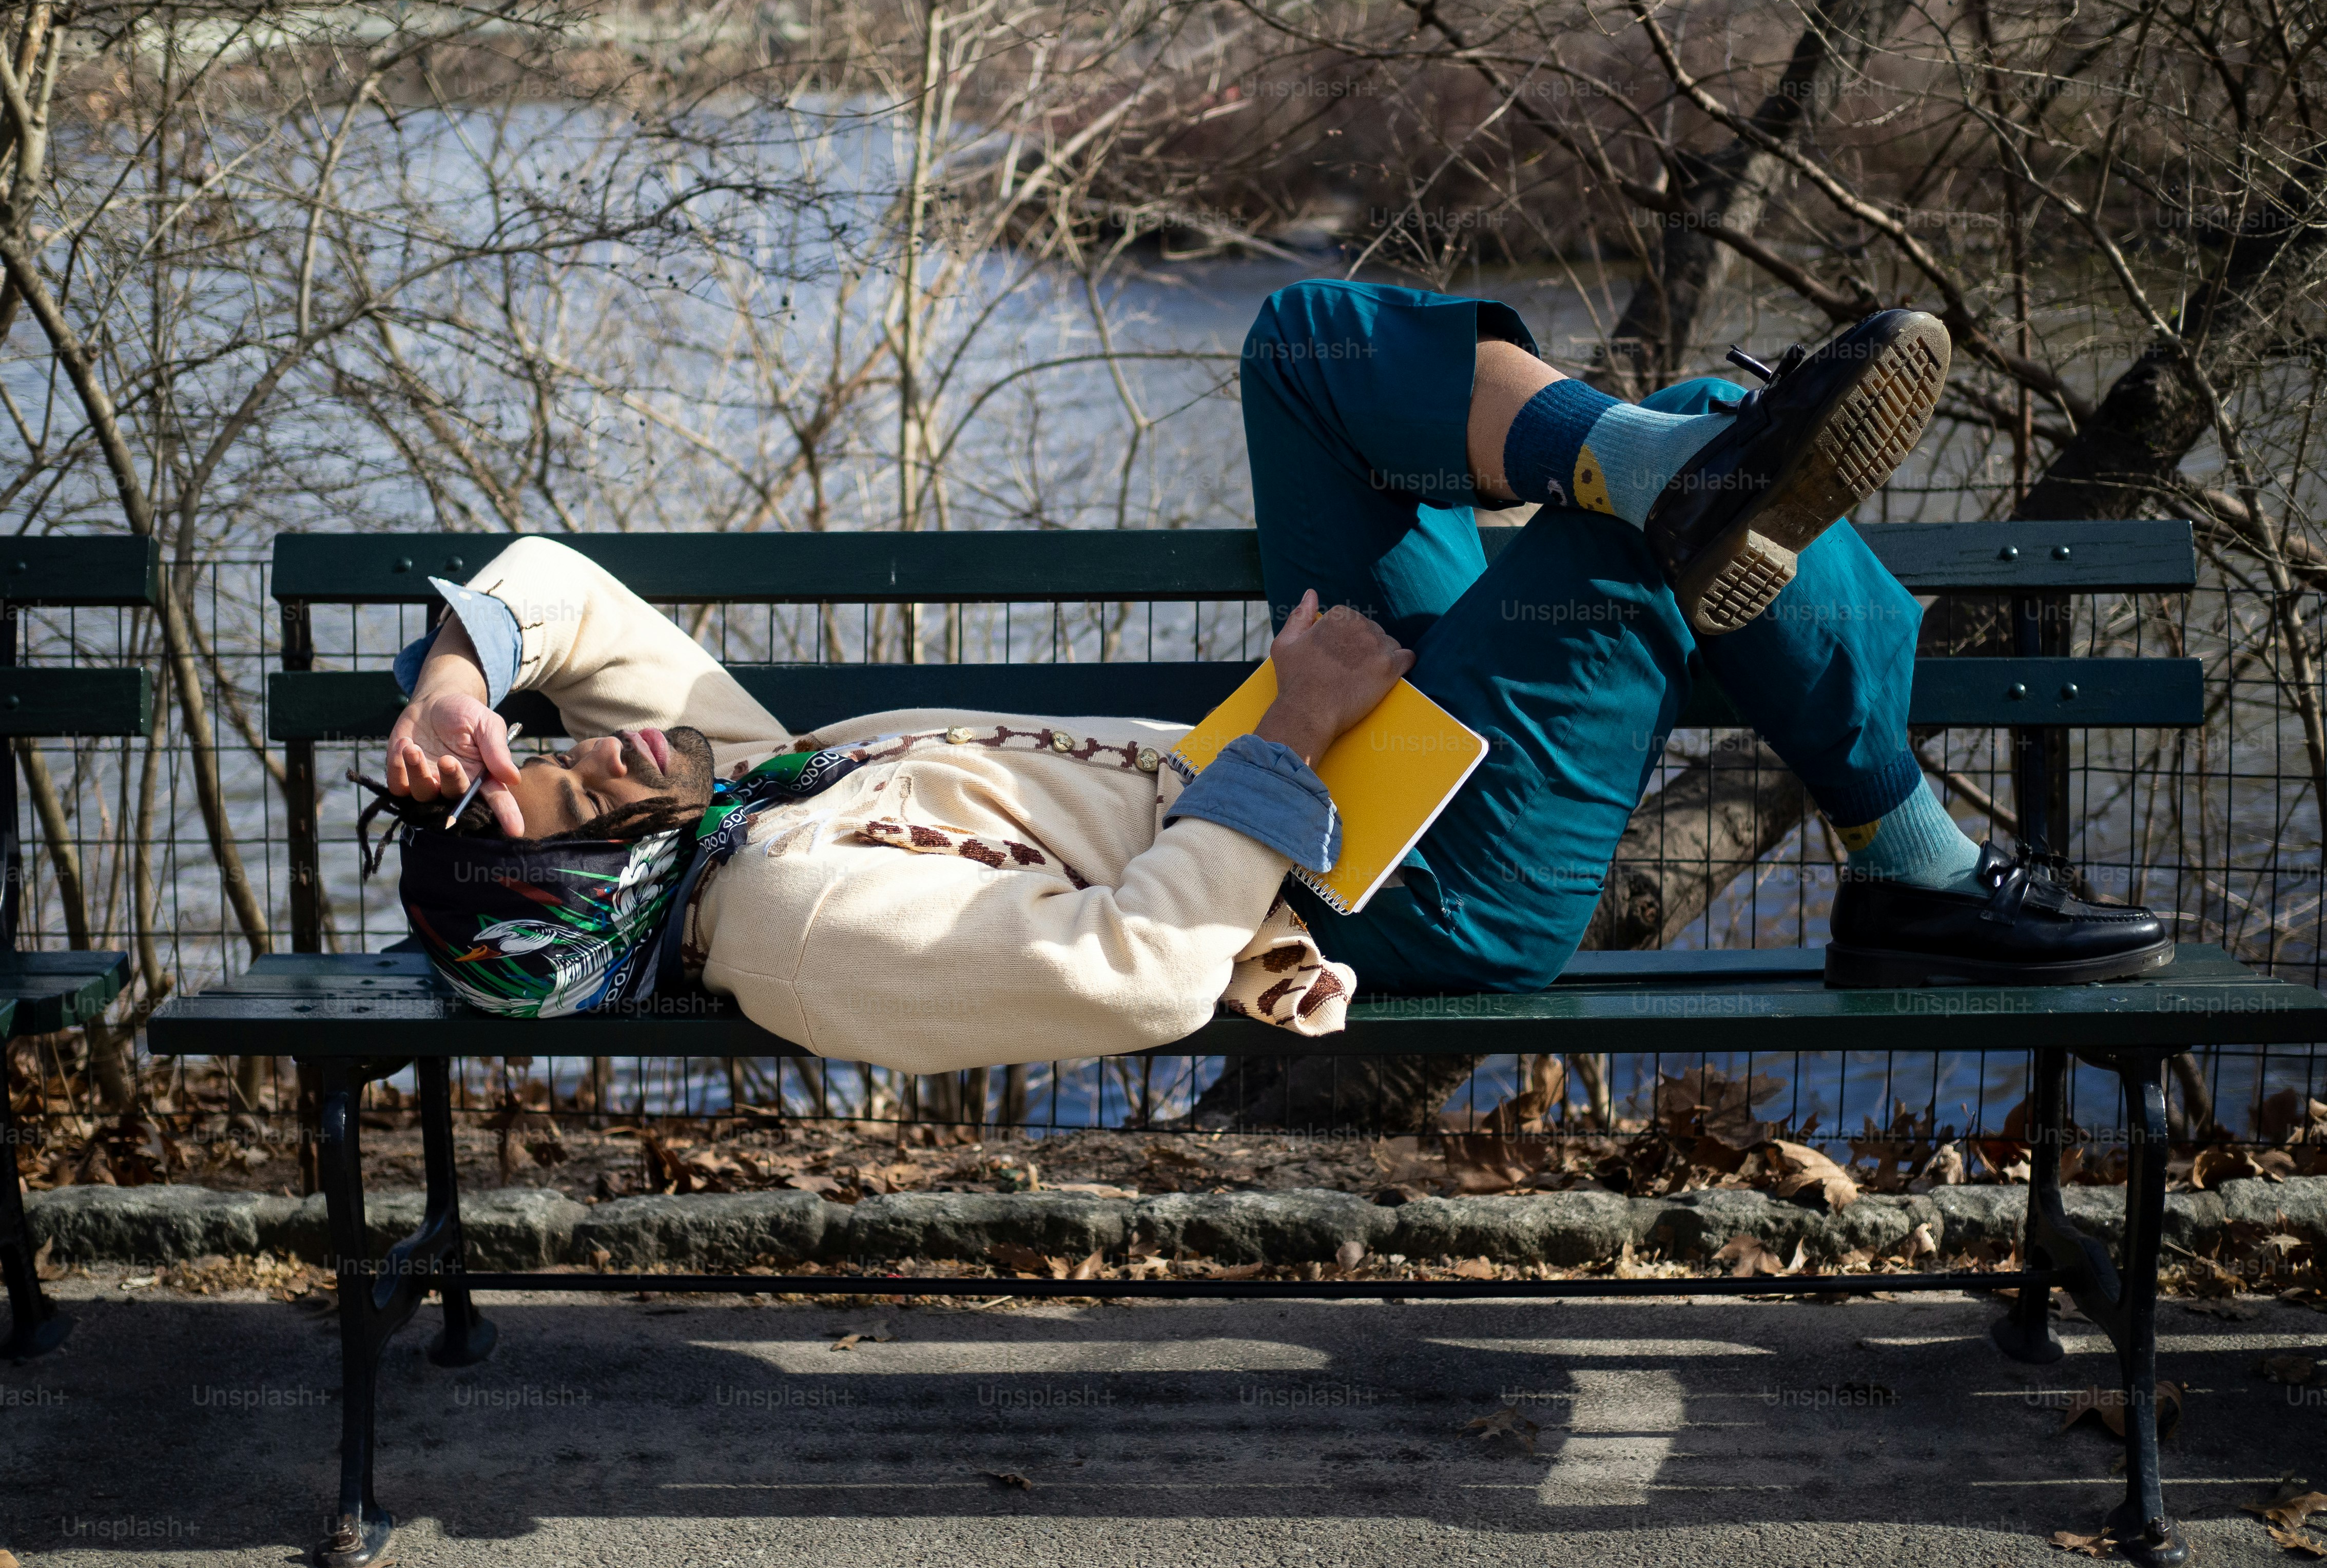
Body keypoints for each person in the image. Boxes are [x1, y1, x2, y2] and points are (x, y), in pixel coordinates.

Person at [367, 280, 2170, 1071]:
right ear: (596, 892)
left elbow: (557, 591)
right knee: (1703, 487)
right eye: (577, 785)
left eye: (557, 747)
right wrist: (1298, 727)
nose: (597, 751)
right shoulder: (792, 926)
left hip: (1348, 749)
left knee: (1310, 348)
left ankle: (1635, 450)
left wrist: (460, 674)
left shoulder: (750, 794)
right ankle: (1913, 858)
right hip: (1405, 877)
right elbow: (1135, 970)